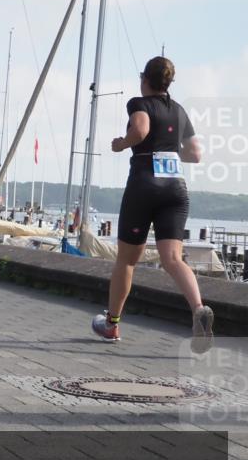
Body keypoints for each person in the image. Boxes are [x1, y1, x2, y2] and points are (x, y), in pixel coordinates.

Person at [91, 56, 214, 351]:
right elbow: (196, 153)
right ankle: (198, 309)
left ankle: (112, 324)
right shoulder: (180, 110)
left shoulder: (139, 103)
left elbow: (142, 130)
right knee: (173, 258)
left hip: (144, 185)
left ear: (145, 79)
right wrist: (168, 150)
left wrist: (122, 143)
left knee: (127, 259)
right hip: (176, 190)